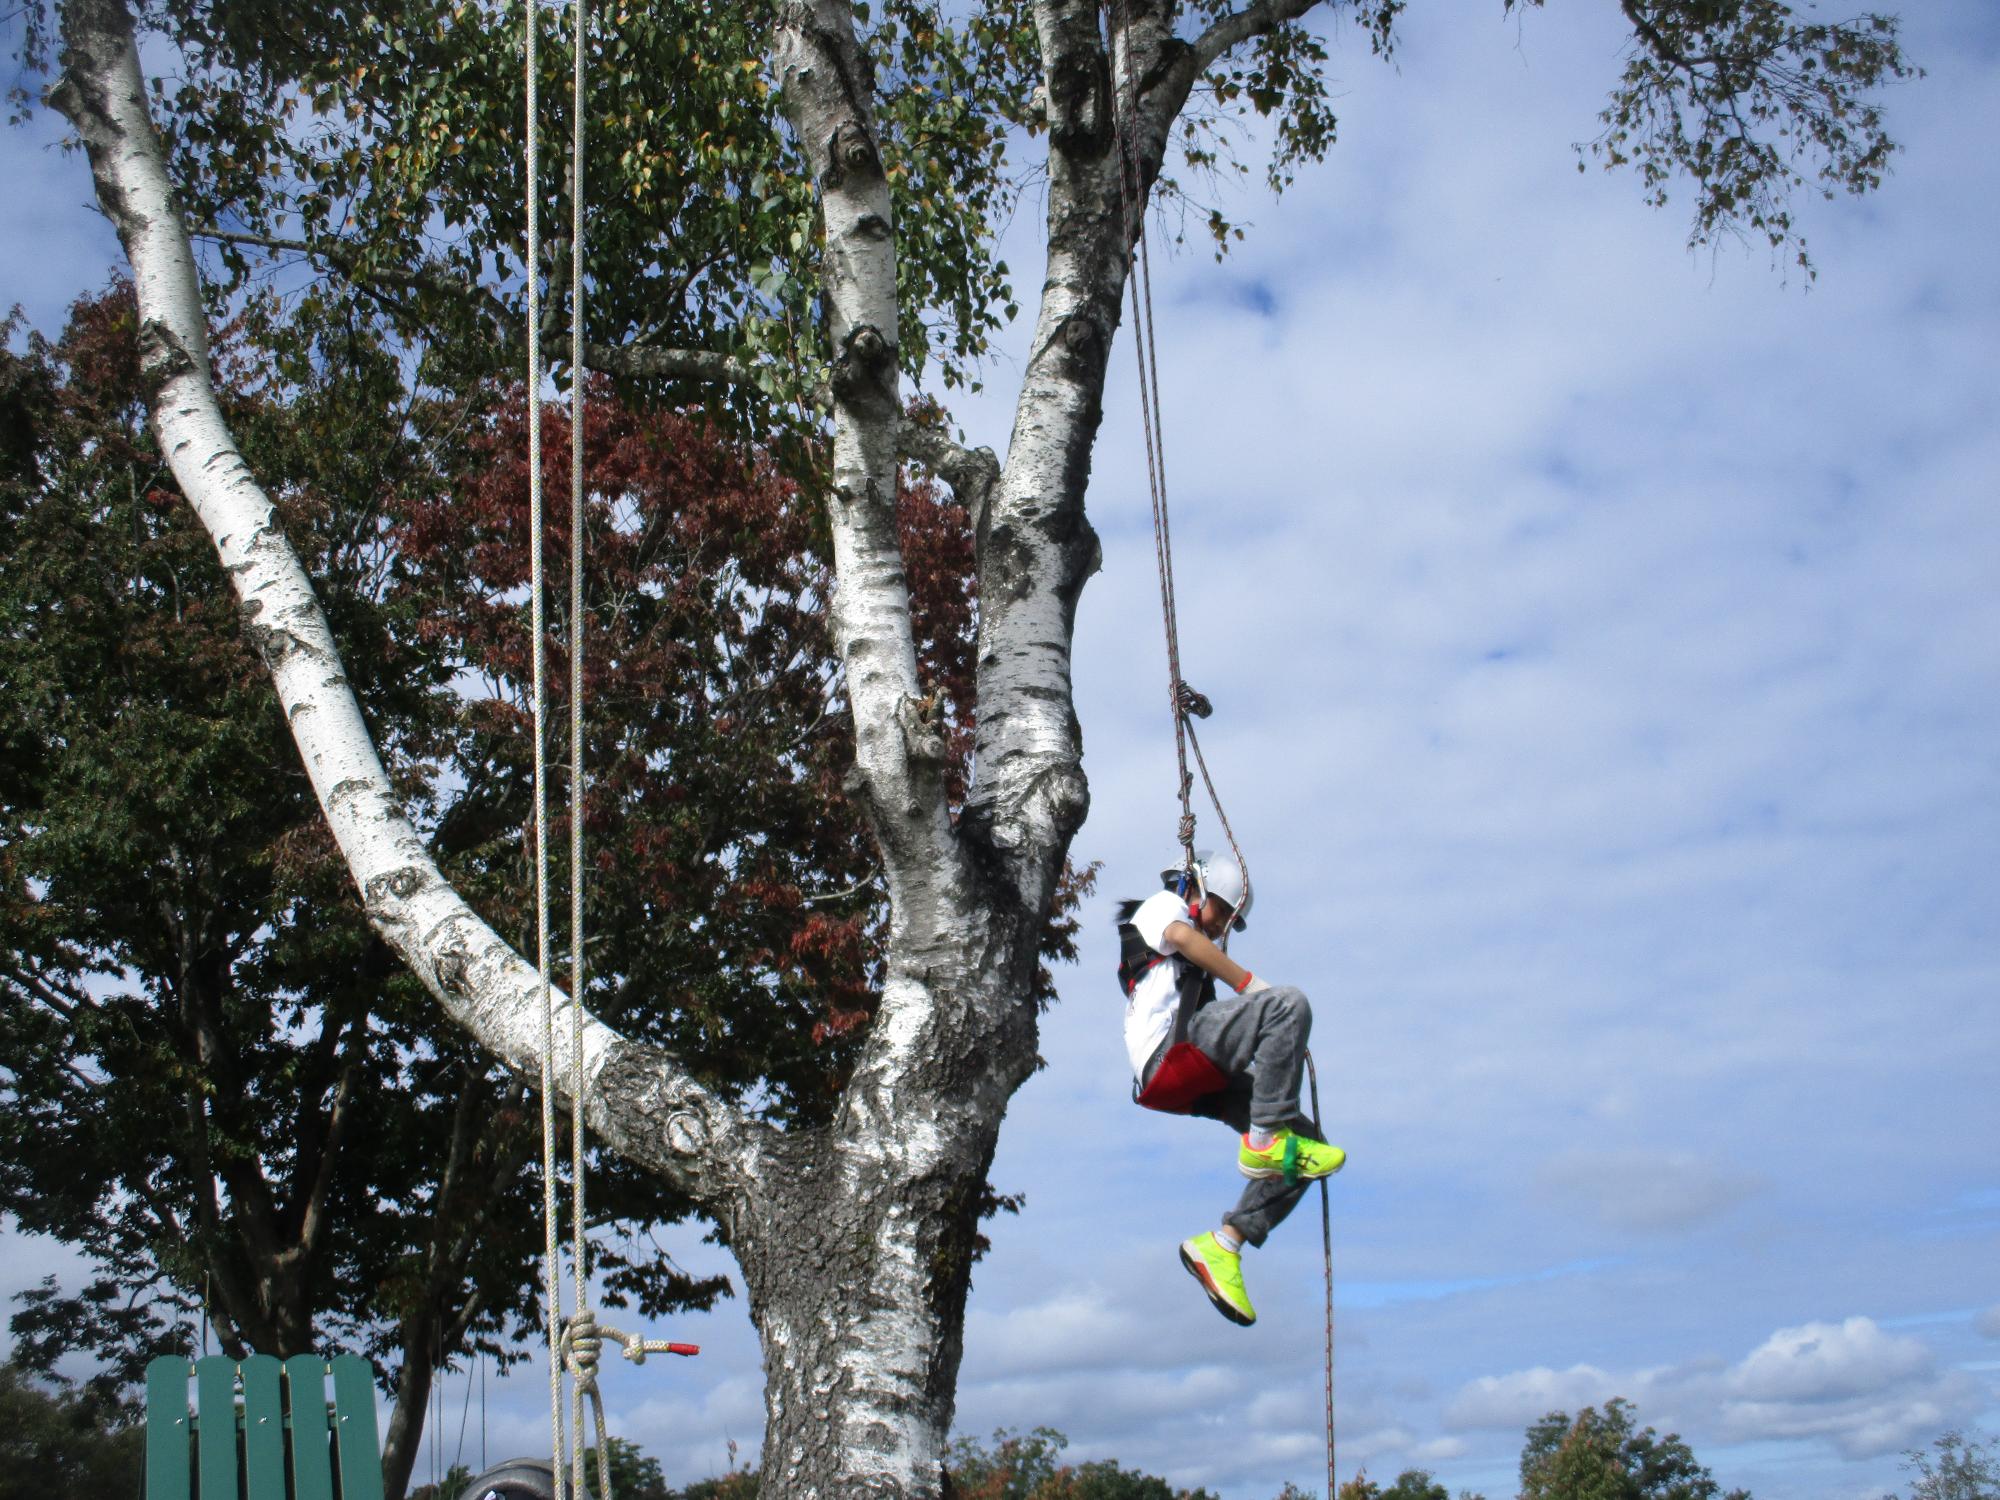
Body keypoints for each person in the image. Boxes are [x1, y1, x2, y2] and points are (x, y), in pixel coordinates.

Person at [1116, 851, 1345, 1326]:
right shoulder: (1164, 907)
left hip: (1190, 1079)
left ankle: (1223, 1246)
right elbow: (1181, 936)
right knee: (1289, 1003)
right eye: (1222, 913)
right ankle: (1263, 1142)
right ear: (1199, 888)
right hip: (1168, 1055)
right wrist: (1252, 988)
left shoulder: (1193, 957)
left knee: (1307, 1147)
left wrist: (1275, 1043)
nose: (1221, 928)